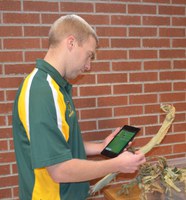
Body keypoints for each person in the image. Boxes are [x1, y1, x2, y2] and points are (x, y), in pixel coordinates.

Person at [12, 14, 146, 200]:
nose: (89, 66)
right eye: (89, 55)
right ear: (71, 43)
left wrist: (101, 147)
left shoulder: (56, 88)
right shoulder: (42, 92)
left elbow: (58, 145)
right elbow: (59, 169)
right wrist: (116, 164)